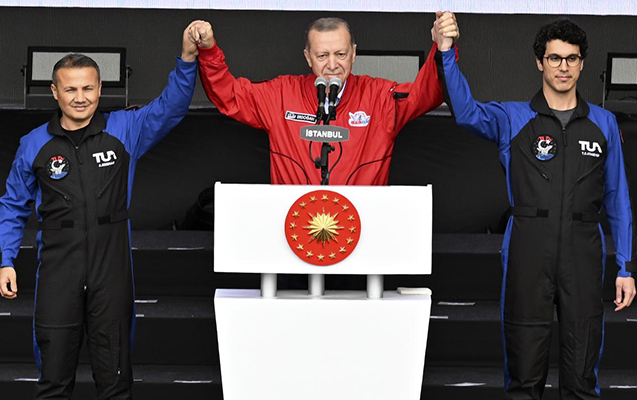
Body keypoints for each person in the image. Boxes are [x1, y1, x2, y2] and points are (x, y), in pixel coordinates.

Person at [433, 12, 636, 399]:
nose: (564, 67)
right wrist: (446, 52)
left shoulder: (604, 123)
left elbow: (618, 199)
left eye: (572, 58)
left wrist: (625, 266)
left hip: (583, 254)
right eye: (555, 58)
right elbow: (466, 111)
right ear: (540, 62)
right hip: (527, 252)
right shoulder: (513, 117)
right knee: (524, 378)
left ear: (582, 63)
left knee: (581, 379)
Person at [0, 22, 200, 399]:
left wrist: (188, 59)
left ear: (100, 89)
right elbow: (12, 204)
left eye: (88, 88)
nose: (80, 98)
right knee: (53, 382)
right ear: (54, 92)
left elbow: (170, 107)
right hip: (58, 271)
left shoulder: (124, 129)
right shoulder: (34, 144)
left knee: (115, 383)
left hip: (111, 269)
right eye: (70, 89)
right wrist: (4, 259)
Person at [188, 16, 451, 185]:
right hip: (293, 230)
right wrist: (209, 50)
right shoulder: (281, 94)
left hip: (362, 231)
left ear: (354, 54)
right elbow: (229, 96)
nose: (333, 65)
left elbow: (427, 93)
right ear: (308, 57)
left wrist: (442, 50)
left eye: (341, 54)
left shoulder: (379, 97)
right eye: (323, 56)